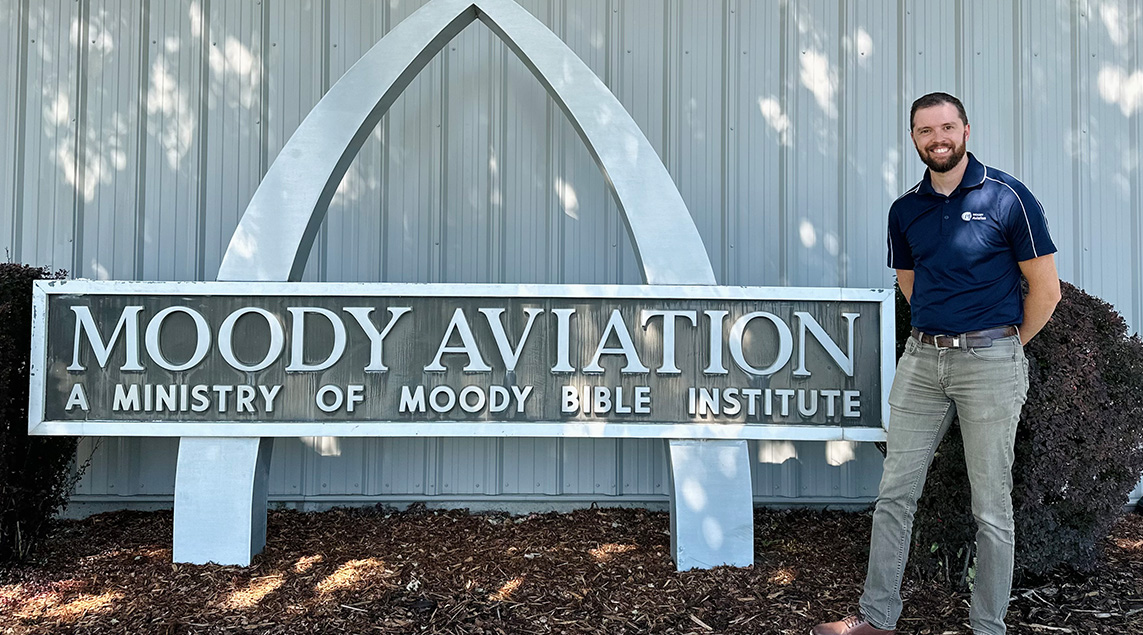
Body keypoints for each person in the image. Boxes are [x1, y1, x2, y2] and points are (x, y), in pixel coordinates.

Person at [811, 92, 1061, 635]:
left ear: (966, 131)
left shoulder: (1008, 197)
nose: (938, 138)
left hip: (990, 361)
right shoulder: (905, 209)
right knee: (894, 496)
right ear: (914, 139)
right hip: (922, 362)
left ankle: (988, 626)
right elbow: (911, 284)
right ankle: (877, 618)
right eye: (926, 130)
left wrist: (1006, 343)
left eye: (947, 127)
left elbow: (1046, 290)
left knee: (991, 506)